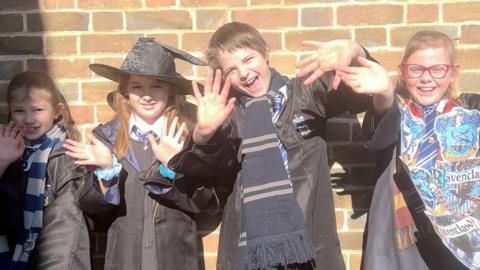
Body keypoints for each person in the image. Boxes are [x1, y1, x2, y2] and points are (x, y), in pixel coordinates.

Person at [173, 21, 376, 270]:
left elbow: (362, 94)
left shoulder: (306, 95)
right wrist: (203, 135)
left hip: (307, 246)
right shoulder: (228, 116)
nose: (244, 73)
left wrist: (356, 53)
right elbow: (202, 177)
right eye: (232, 69)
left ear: (266, 53)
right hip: (250, 253)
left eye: (248, 60)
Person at [63, 37, 221, 270]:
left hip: (175, 259)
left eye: (156, 85)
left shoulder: (188, 136)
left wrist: (174, 165)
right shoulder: (107, 138)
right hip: (124, 260)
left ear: (170, 90)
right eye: (137, 86)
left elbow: (205, 203)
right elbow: (93, 214)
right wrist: (106, 172)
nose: (147, 95)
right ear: (125, 90)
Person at [338, 30, 476, 269]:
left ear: (454, 72)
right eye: (416, 70)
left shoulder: (472, 108)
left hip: (461, 243)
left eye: (438, 69)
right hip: (403, 241)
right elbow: (384, 109)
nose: (426, 78)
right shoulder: (399, 111)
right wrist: (383, 91)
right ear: (402, 72)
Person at [0, 71, 91, 270]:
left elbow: (64, 230)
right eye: (19, 111)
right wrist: (2, 163)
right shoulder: (6, 149)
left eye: (38, 109)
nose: (29, 119)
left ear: (57, 111)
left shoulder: (65, 157)